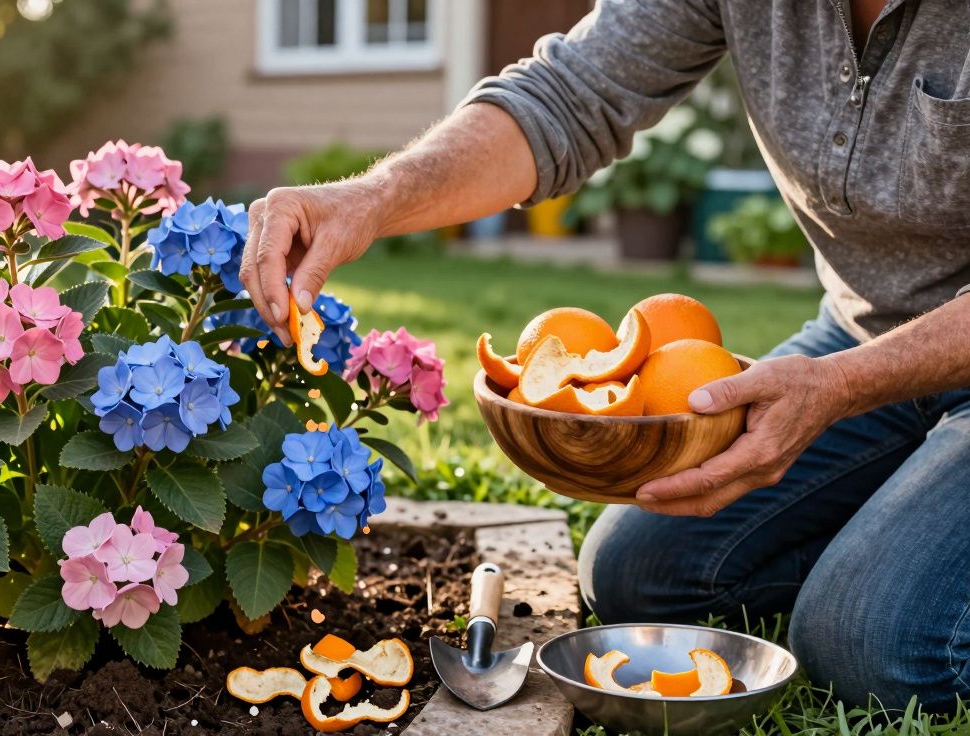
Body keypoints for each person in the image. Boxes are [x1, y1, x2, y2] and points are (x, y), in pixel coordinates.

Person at [238, 0, 970, 711]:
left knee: (873, 644)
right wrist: (370, 198)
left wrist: (844, 386)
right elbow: (570, 93)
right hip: (859, 329)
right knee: (640, 575)